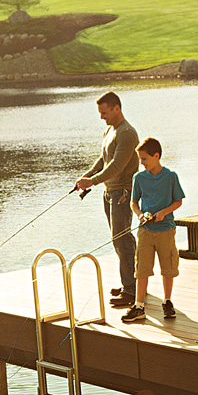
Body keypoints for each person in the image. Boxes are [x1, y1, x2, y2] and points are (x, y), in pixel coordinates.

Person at [74, 91, 140, 308]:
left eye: (104, 112)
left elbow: (117, 165)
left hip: (122, 192)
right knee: (120, 239)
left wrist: (91, 181)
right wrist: (88, 175)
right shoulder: (110, 131)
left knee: (121, 239)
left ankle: (131, 289)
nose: (102, 116)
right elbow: (104, 159)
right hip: (109, 191)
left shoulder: (127, 133)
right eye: (100, 113)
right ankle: (131, 283)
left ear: (116, 108)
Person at [122, 137, 185, 324]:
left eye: (144, 159)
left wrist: (164, 213)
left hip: (166, 230)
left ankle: (167, 302)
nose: (142, 163)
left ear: (156, 156)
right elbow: (134, 203)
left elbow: (178, 201)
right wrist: (141, 215)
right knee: (141, 269)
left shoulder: (171, 176)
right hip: (145, 231)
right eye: (140, 159)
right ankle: (139, 306)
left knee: (168, 268)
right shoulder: (139, 178)